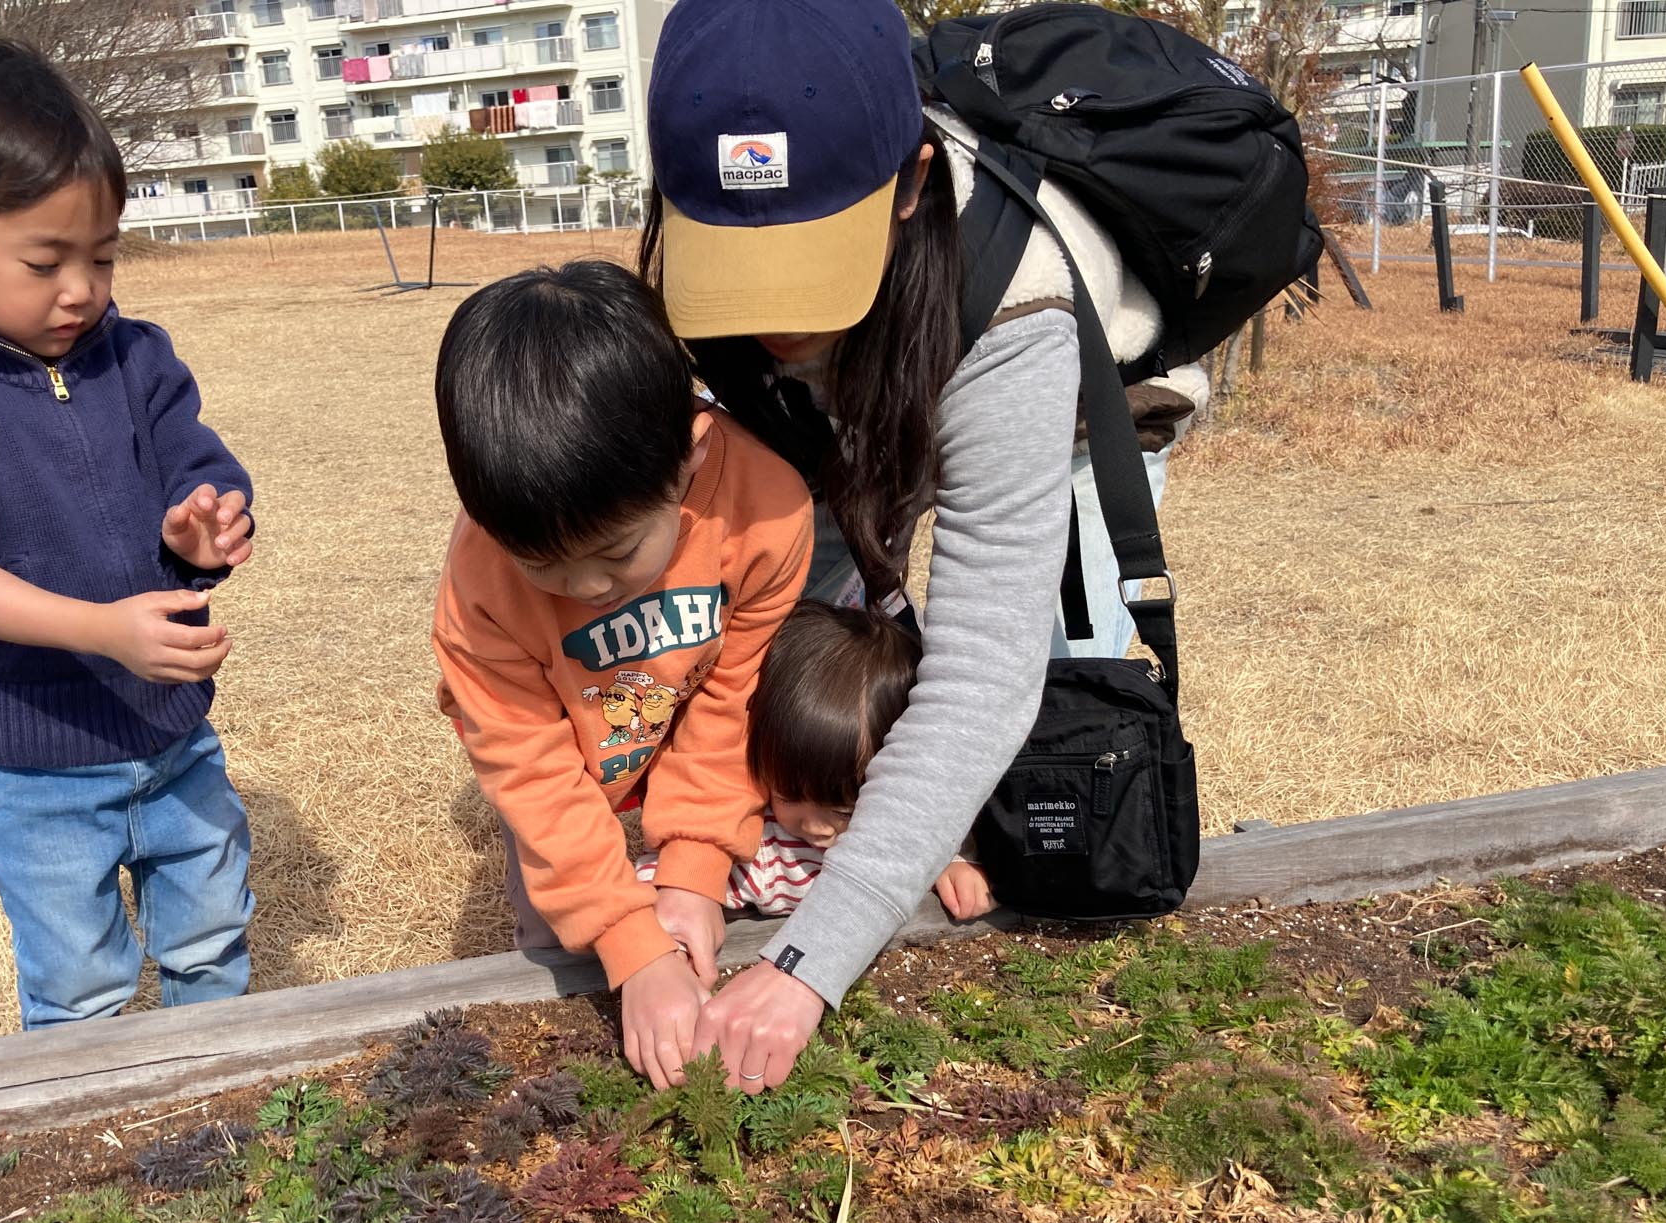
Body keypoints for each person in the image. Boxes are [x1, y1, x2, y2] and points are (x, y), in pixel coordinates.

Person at [639, 0, 1207, 1091]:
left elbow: (981, 675)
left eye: (805, 267)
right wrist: (689, 869)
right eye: (734, 266)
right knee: (795, 657)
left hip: (1073, 412)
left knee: (1053, 737)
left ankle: (935, 862)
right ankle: (781, 851)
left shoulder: (1014, 301)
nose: (768, 318)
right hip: (851, 407)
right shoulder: (691, 246)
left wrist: (807, 964)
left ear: (906, 184)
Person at [0, 39, 258, 1029]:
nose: (82, 289)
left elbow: (195, 461)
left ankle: (229, 1113)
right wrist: (102, 628)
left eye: (103, 257)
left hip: (172, 731)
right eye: (44, 260)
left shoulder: (135, 358)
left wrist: (202, 527)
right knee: (80, 989)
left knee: (211, 940)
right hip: (37, 763)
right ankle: (98, 1163)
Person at [431, 260, 812, 1090]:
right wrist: (628, 946)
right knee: (558, 940)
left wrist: (695, 871)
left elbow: (732, 700)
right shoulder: (481, 584)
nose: (589, 590)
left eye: (616, 553)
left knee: (708, 916)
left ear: (689, 458)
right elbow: (530, 770)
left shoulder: (765, 513)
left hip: (691, 738)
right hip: (571, 766)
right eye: (547, 567)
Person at [635, 601, 993, 923]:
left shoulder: (914, 823)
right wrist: (677, 899)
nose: (815, 826)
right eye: (788, 796)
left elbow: (947, 828)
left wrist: (954, 863)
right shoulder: (759, 843)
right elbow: (664, 877)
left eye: (843, 811)